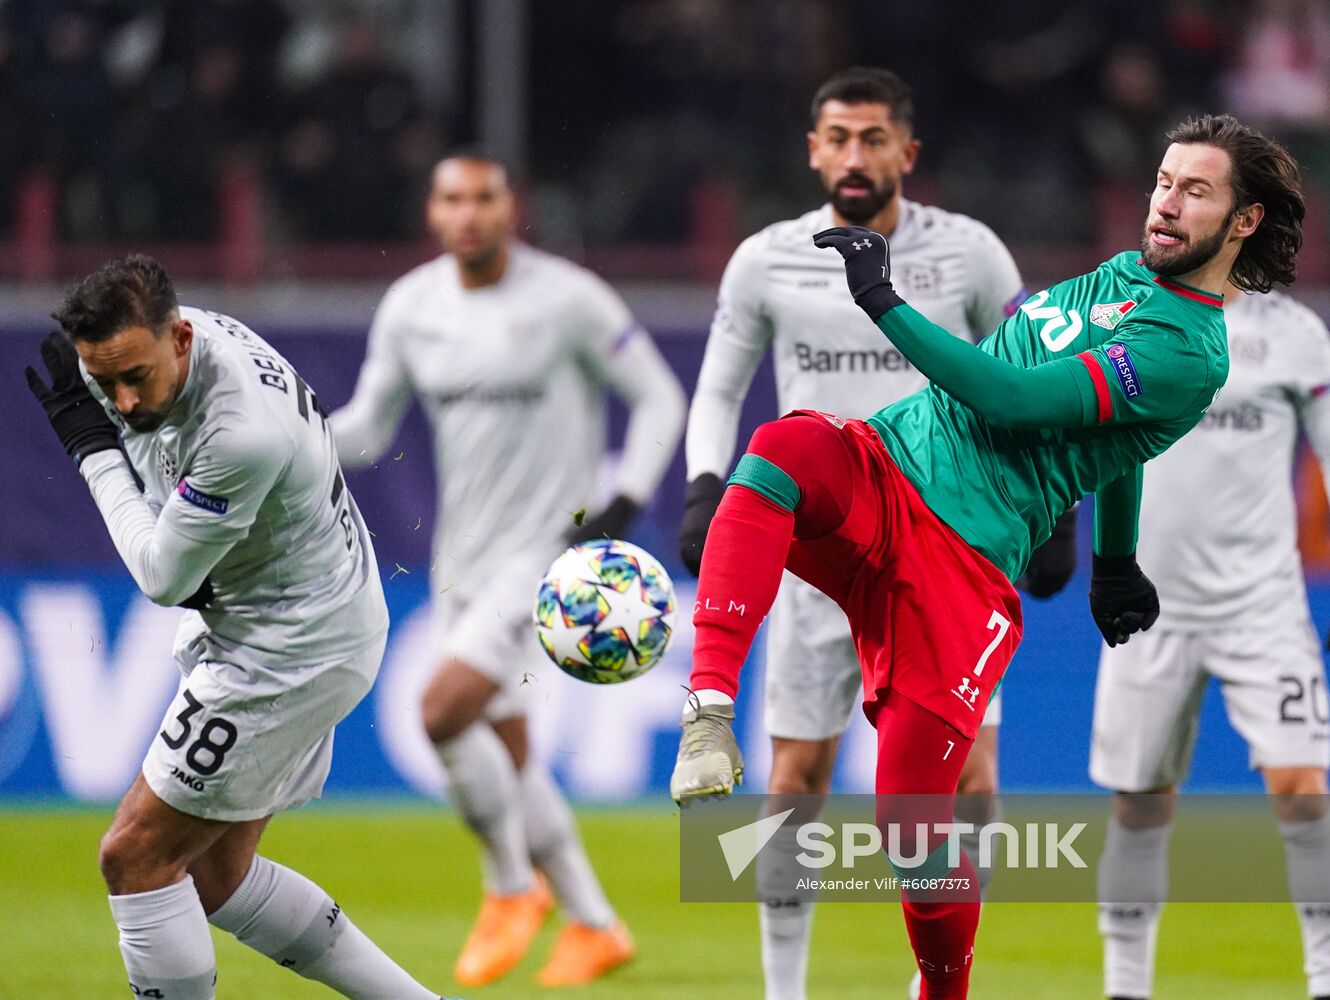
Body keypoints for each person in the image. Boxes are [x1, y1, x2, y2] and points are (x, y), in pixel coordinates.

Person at [670, 113, 1304, 1000]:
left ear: (1244, 222)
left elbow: (1010, 400)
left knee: (910, 828)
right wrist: (1113, 557)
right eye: (1164, 181)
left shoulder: (1187, 354)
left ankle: (942, 988)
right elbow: (1119, 446)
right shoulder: (1123, 275)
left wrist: (881, 301)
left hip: (961, 565)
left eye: (1195, 191)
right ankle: (707, 707)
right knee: (781, 451)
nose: (1165, 204)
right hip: (888, 466)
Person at [677, 65, 1076, 1000]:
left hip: (947, 550)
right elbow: (720, 389)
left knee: (971, 781)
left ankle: (934, 969)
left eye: (872, 139)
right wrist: (704, 487)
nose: (854, 156)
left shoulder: (972, 255)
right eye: (837, 139)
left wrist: (1053, 513)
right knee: (799, 774)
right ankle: (785, 987)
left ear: (907, 150)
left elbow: (1030, 373)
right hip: (825, 551)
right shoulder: (765, 259)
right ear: (813, 149)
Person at [23, 256, 452, 999]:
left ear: (180, 339)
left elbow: (164, 577)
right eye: (103, 381)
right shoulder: (184, 342)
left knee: (134, 857)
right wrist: (107, 405)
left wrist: (88, 446)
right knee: (217, 876)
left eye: (136, 378)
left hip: (288, 648)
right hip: (304, 616)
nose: (122, 401)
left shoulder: (239, 432)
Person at [330, 153, 685, 988]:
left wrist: (625, 501)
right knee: (506, 747)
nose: (468, 214)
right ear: (433, 211)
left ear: (509, 207)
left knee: (441, 709)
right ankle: (595, 924)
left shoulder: (567, 298)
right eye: (452, 199)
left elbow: (660, 396)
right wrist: (290, 431)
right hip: (466, 560)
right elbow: (369, 430)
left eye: (484, 198)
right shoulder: (413, 307)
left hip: (552, 558)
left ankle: (510, 888)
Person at [1091, 283, 1330, 1000]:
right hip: (1149, 603)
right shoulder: (1129, 313)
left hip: (1263, 605)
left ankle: (1324, 978)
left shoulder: (1295, 333)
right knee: (1139, 801)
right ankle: (1125, 986)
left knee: (1303, 789)